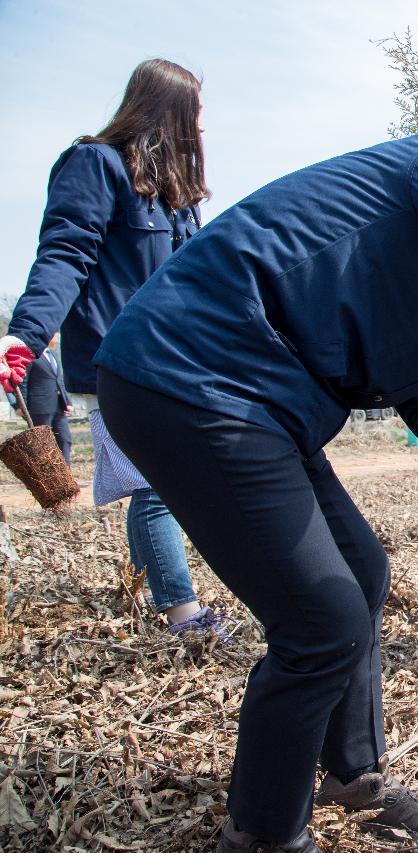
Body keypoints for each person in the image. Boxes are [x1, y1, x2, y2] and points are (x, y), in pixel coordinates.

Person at [38, 127, 418, 853]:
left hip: (266, 404)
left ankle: (352, 772)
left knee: (362, 573)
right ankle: (266, 834)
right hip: (191, 373)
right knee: (319, 617)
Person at [0, 59, 226, 640]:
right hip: (119, 360)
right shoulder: (94, 165)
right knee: (155, 482)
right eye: (197, 114)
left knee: (178, 477)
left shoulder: (177, 198)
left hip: (178, 361)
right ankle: (183, 617)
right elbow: (66, 254)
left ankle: (160, 584)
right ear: (169, 113)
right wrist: (25, 336)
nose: (203, 128)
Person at [20, 334, 73, 466]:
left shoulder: (53, 355)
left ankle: (66, 476)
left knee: (64, 439)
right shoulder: (30, 355)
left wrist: (67, 402)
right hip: (39, 407)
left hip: (59, 407)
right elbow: (23, 382)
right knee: (43, 443)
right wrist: (20, 405)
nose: (58, 337)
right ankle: (46, 476)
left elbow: (59, 380)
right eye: (55, 334)